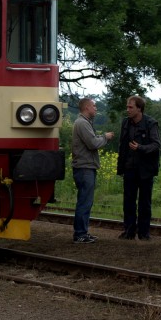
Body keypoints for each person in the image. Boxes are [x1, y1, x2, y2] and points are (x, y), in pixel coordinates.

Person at [116, 95, 161, 240]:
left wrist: (140, 148)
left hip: (145, 170)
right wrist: (120, 166)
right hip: (129, 168)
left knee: (144, 203)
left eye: (131, 107)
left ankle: (144, 233)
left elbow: (156, 145)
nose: (127, 109)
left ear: (139, 108)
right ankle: (128, 231)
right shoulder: (125, 123)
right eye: (127, 107)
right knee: (128, 201)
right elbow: (122, 145)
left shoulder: (151, 123)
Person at [71, 97, 114, 243]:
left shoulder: (84, 122)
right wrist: (105, 137)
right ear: (87, 107)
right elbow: (93, 143)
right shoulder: (82, 123)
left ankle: (83, 232)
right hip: (84, 168)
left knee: (86, 201)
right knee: (84, 201)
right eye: (94, 106)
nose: (96, 108)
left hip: (85, 167)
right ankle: (80, 234)